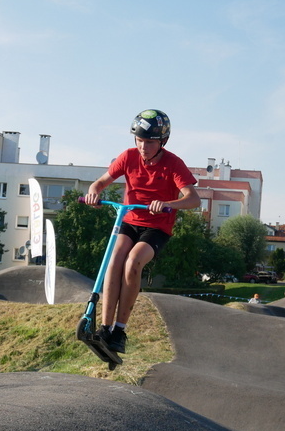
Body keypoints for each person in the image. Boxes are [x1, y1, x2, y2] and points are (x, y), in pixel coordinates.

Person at [84, 109, 200, 353]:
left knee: (133, 262)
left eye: (149, 142)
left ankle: (119, 330)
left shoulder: (173, 163)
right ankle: (104, 328)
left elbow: (193, 199)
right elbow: (100, 182)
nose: (143, 147)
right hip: (130, 220)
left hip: (157, 227)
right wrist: (94, 192)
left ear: (162, 142)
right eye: (139, 140)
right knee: (115, 261)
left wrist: (169, 204)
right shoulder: (128, 157)